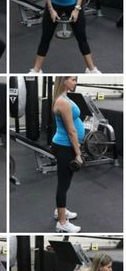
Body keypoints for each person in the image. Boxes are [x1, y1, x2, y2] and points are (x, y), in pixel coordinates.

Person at [52, 75, 85, 233]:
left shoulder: (63, 97)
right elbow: (71, 131)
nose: (75, 82)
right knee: (63, 184)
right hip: (65, 146)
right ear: (64, 80)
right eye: (73, 79)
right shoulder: (63, 102)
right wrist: (78, 153)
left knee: (64, 182)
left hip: (66, 145)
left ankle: (60, 210)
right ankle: (62, 222)